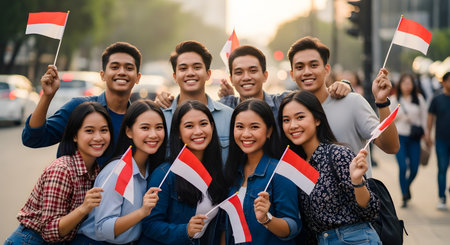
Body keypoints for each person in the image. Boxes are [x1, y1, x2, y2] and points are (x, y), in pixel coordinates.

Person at [287, 36, 400, 177]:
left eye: (314, 65)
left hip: (357, 196)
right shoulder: (289, 113)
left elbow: (391, 146)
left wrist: (382, 102)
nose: (307, 72)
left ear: (327, 69)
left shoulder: (352, 102)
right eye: (299, 67)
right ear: (292, 74)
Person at [279, 90, 380, 245]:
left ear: (317, 119)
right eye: (286, 120)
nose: (293, 125)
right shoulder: (295, 164)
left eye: (300, 117)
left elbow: (371, 210)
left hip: (354, 239)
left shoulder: (338, 155)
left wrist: (357, 181)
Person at [156, 45, 352, 123]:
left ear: (265, 75)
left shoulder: (283, 103)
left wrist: (343, 85)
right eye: (239, 72)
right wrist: (164, 101)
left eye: (253, 71)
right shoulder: (224, 107)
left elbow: (313, 97)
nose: (246, 77)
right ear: (231, 79)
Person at [5, 102, 113, 244]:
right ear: (75, 136)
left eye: (104, 130)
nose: (98, 137)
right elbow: (49, 232)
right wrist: (84, 208)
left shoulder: (95, 170)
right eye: (89, 131)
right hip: (30, 240)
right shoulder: (62, 170)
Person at [22, 42, 142, 164]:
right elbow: (32, 139)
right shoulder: (78, 108)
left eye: (129, 68)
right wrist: (47, 97)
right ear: (103, 75)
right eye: (115, 67)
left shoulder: (139, 120)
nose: (122, 72)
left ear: (137, 77)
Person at [72, 100, 167, 244]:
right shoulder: (119, 170)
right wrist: (142, 212)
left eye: (159, 127)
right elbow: (103, 229)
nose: (153, 134)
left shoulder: (151, 169)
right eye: (145, 128)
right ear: (129, 131)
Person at [139, 100, 229, 244]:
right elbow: (148, 225)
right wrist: (185, 230)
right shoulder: (165, 174)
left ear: (212, 127)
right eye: (189, 126)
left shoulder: (216, 171)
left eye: (203, 124)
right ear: (178, 133)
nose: (198, 131)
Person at [223, 99, 301, 244]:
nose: (246, 134)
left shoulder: (279, 172)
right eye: (239, 127)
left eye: (254, 127)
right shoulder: (232, 170)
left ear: (269, 131)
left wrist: (266, 219)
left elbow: (292, 227)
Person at [161, 40, 233, 164]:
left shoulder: (230, 116)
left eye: (197, 67)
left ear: (208, 74)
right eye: (183, 68)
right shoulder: (160, 118)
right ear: (175, 76)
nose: (190, 73)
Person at [390, 73, 427, 208]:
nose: (407, 85)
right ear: (400, 84)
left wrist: (426, 134)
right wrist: (400, 117)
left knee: (415, 169)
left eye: (409, 83)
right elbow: (388, 120)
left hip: (414, 138)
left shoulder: (419, 98)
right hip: (399, 137)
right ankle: (404, 194)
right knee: (403, 166)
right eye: (404, 82)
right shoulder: (394, 99)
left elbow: (424, 116)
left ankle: (407, 185)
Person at [425, 71, 450, 210]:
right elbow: (430, 117)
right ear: (444, 82)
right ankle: (442, 196)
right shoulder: (437, 99)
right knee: (442, 168)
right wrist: (428, 133)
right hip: (441, 140)